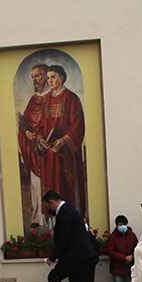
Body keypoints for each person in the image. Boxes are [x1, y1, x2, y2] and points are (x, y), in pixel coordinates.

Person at [43, 189, 98, 282]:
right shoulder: (72, 210)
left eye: (49, 206)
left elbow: (64, 238)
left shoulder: (64, 212)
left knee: (53, 278)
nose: (50, 210)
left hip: (76, 257)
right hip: (85, 256)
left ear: (51, 202)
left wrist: (52, 257)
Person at [40, 66, 86, 217]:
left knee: (65, 185)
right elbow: (40, 125)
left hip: (65, 153)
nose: (50, 81)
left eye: (53, 77)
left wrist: (63, 140)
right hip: (49, 154)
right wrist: (41, 139)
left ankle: (71, 216)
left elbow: (77, 125)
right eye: (48, 78)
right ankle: (51, 218)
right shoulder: (45, 100)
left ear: (62, 77)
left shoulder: (71, 98)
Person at [17, 63, 50, 228]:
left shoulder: (54, 97)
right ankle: (37, 217)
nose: (35, 79)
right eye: (33, 76)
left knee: (51, 184)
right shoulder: (33, 100)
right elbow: (24, 124)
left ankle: (51, 219)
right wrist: (26, 134)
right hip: (34, 151)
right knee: (36, 185)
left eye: (38, 75)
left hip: (49, 151)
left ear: (46, 76)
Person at [106, 215, 138, 282]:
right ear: (116, 225)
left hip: (129, 267)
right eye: (120, 225)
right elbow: (111, 252)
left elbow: (137, 248)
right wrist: (124, 258)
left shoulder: (132, 235)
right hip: (118, 267)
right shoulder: (112, 237)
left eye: (124, 224)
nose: (122, 226)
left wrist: (132, 256)